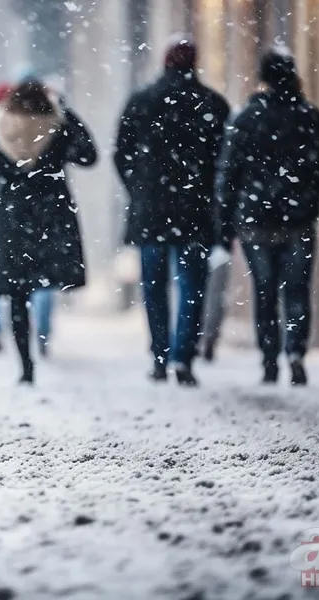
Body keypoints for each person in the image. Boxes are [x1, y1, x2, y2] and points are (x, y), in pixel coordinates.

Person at [215, 48, 319, 386]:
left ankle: (269, 358)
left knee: (265, 292)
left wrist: (224, 224)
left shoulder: (246, 118)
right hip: (298, 219)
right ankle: (295, 351)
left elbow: (228, 175)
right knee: (296, 290)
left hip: (256, 221)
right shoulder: (308, 116)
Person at [114, 37, 230, 387]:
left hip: (151, 210)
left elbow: (121, 153)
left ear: (165, 62)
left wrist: (139, 188)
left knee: (154, 286)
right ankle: (183, 356)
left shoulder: (141, 101)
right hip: (194, 210)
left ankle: (160, 355)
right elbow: (224, 162)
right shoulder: (212, 104)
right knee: (192, 287)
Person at [0, 80, 97, 384]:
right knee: (43, 284)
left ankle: (26, 363)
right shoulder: (58, 128)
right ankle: (44, 336)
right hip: (50, 215)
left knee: (17, 294)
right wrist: (66, 112)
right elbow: (89, 155)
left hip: (12, 217)